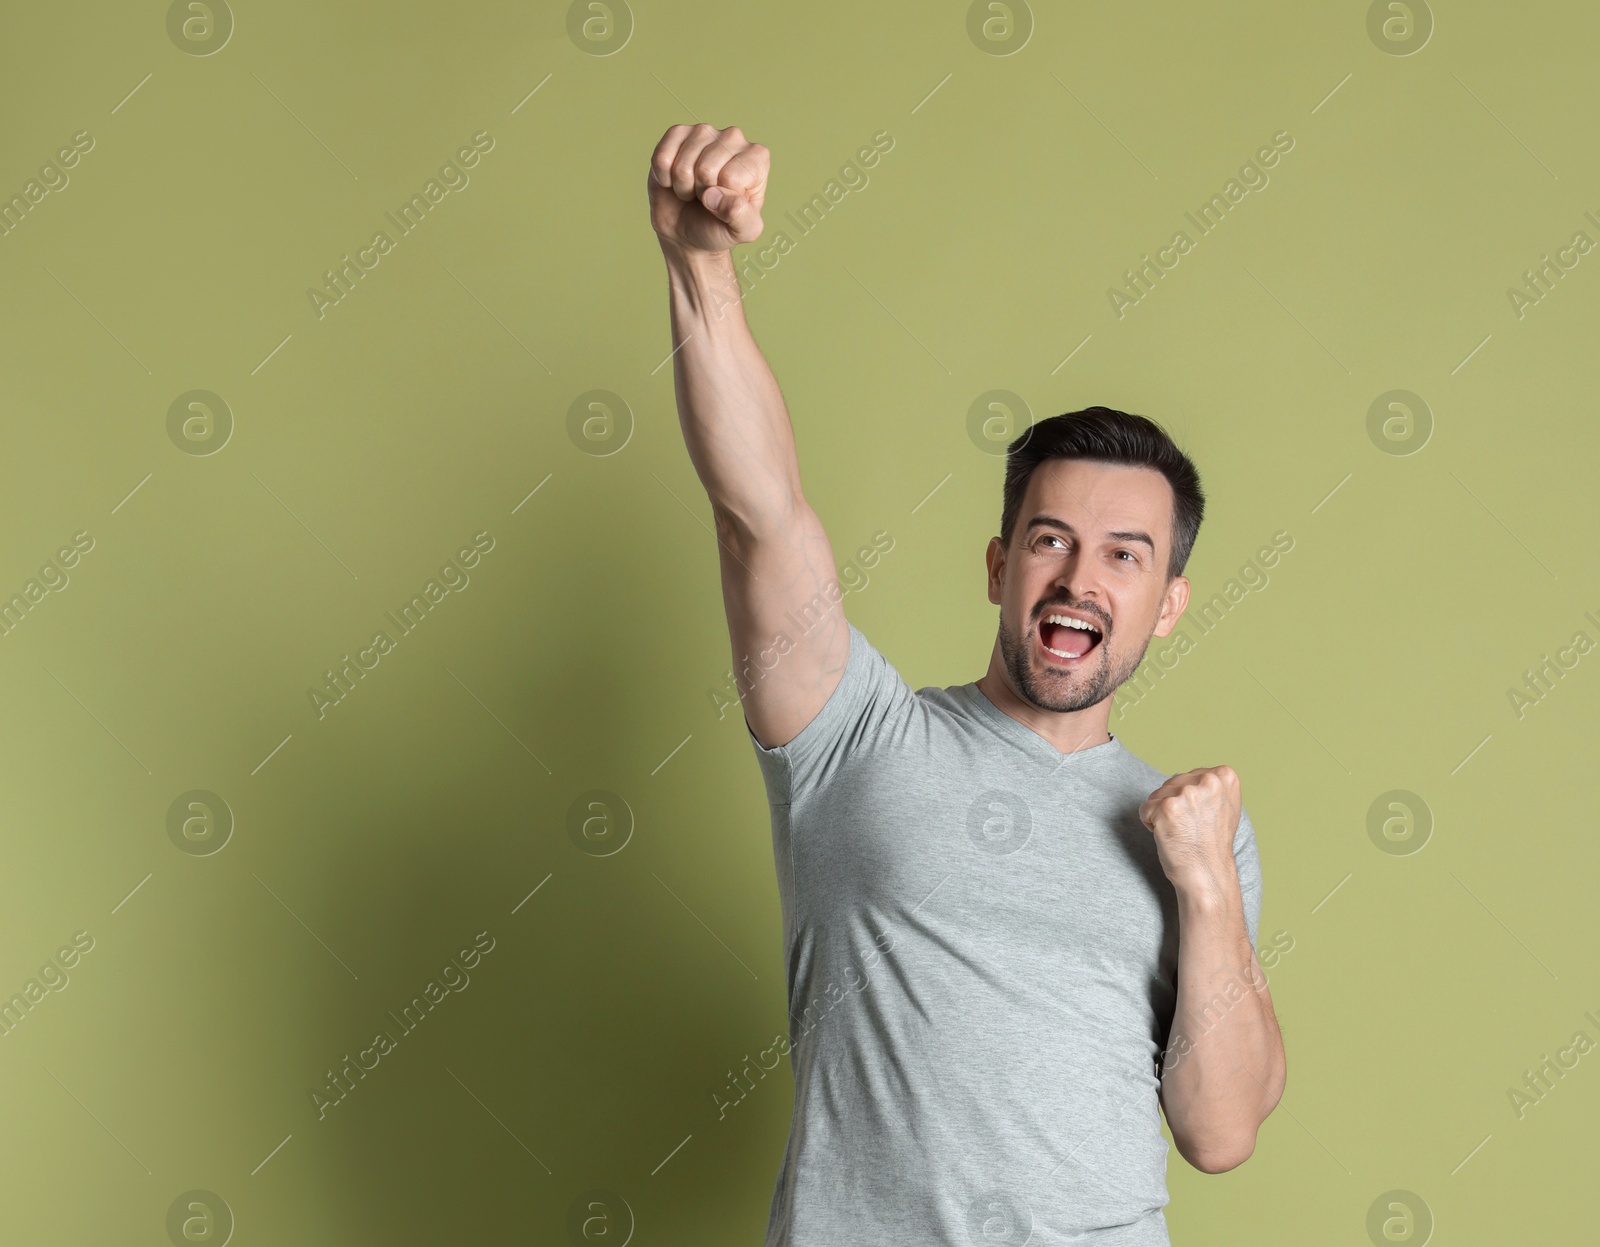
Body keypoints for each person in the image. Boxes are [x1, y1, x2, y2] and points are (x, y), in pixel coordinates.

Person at [648, 122, 1287, 1246]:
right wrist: (700, 270)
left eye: (1125, 554)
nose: (1079, 576)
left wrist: (1205, 887)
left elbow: (1220, 1127)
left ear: (1167, 601)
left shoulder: (1202, 836)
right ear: (1000, 565)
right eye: (1049, 538)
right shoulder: (855, 736)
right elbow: (761, 512)